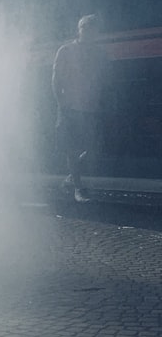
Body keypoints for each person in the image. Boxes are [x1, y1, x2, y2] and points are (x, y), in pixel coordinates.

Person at [51, 14, 109, 202]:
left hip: (92, 107)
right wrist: (62, 103)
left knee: (95, 148)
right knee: (72, 148)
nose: (90, 32)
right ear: (80, 29)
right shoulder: (66, 50)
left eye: (94, 29)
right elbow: (56, 79)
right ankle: (78, 187)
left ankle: (71, 177)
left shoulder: (100, 54)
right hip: (70, 108)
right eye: (87, 28)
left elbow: (103, 80)